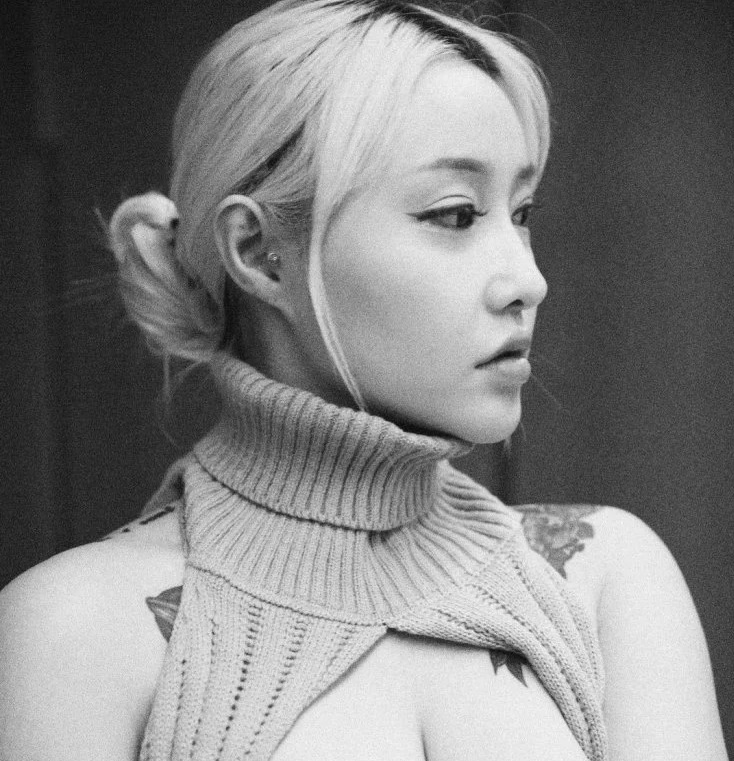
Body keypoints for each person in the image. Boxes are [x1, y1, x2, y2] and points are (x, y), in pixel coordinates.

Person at [0, 0, 727, 759]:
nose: (528, 280)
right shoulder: (71, 631)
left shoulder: (604, 578)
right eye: (456, 214)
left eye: (521, 212)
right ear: (258, 252)